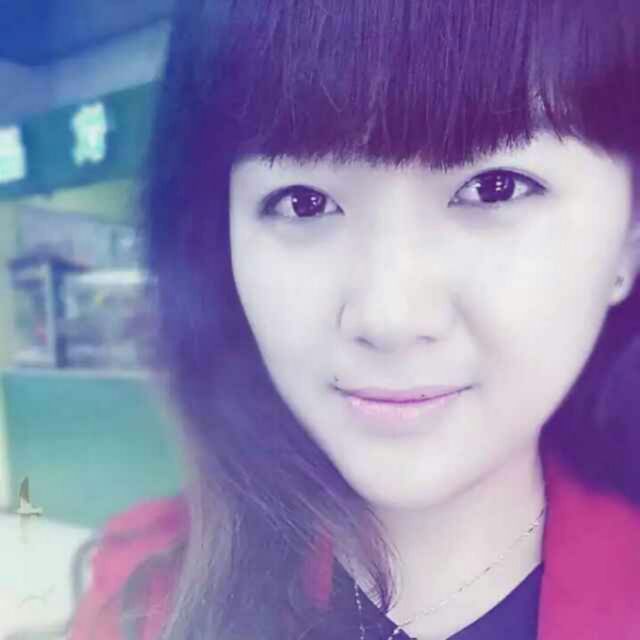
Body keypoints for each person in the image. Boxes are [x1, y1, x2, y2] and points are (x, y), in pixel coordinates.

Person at [70, 1, 640, 639]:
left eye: (495, 188)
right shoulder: (147, 595)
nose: (389, 318)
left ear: (629, 237)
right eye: (303, 202)